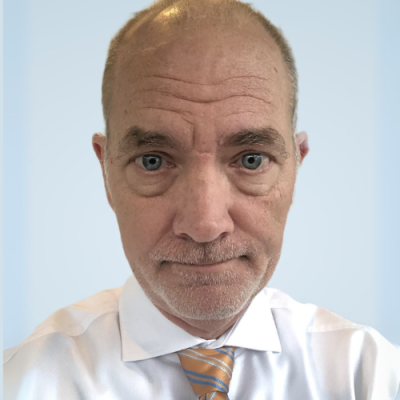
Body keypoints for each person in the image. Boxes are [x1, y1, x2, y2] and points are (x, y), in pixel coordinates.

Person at [4, 0, 400, 399]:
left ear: (295, 168)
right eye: (153, 161)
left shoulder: (369, 376)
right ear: (106, 172)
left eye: (251, 160)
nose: (206, 224)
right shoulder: (24, 382)